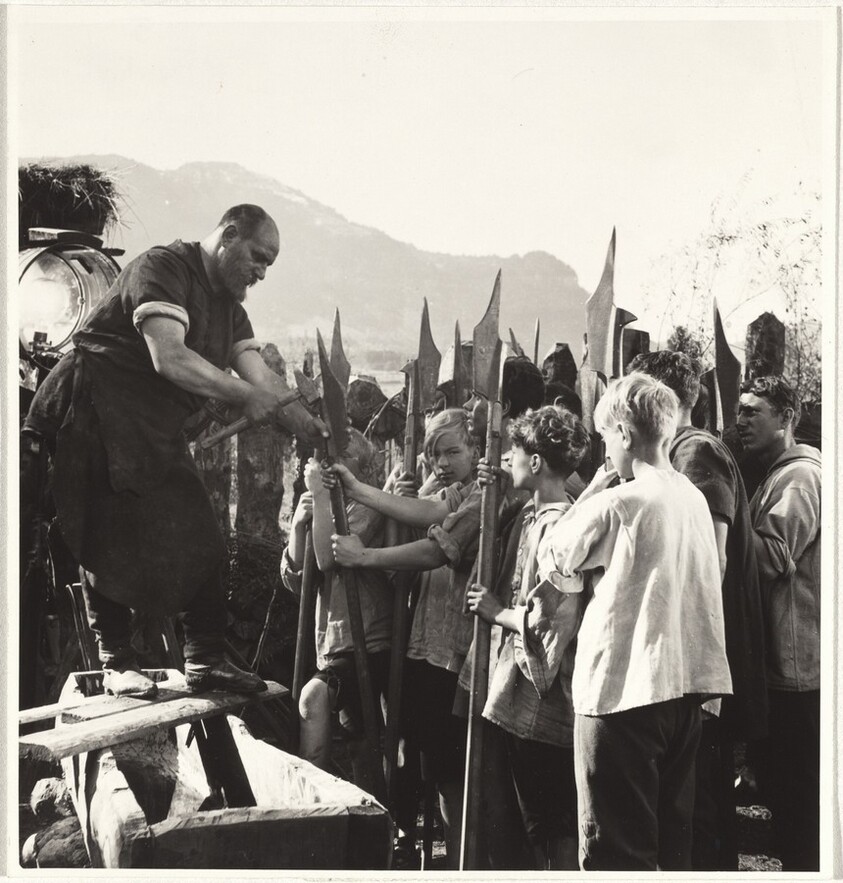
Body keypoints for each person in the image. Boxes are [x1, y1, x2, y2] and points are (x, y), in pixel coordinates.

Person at [21, 204, 325, 698]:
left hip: (146, 429)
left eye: (269, 264)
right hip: (89, 411)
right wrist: (244, 396)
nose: (261, 272)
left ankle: (205, 657)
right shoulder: (163, 268)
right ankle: (117, 662)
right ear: (228, 235)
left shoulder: (230, 306)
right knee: (105, 529)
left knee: (199, 526)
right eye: (257, 256)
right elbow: (171, 357)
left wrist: (308, 427)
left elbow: (261, 379)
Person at [329, 355, 544, 869]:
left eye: (452, 450)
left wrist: (366, 551)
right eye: (434, 454)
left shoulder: (491, 492)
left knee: (459, 776)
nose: (442, 461)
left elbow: (435, 545)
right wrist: (374, 494)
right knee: (435, 769)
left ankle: (468, 867)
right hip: (429, 648)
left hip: (458, 653)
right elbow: (423, 510)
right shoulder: (456, 489)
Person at [537, 372, 733, 871]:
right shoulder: (691, 495)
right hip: (685, 693)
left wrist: (592, 493)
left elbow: (555, 557)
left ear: (624, 433)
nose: (605, 452)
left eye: (606, 438)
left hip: (622, 694)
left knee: (616, 854)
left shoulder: (620, 501)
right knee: (670, 847)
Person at [629, 350, 768, 870]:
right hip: (700, 665)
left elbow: (711, 558)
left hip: (702, 667)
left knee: (701, 814)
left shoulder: (694, 453)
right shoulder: (685, 451)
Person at [466, 405, 589, 869]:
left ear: (535, 462)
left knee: (548, 820)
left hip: (546, 696)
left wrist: (498, 612)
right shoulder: (535, 514)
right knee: (535, 815)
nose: (506, 461)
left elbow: (554, 619)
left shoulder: (558, 526)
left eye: (513, 452)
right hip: (529, 695)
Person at [737, 375, 821, 871]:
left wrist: (719, 519)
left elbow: (770, 558)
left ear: (786, 418)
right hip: (787, 667)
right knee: (786, 797)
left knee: (799, 806)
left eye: (754, 411)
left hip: (799, 670)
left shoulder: (800, 477)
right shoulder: (777, 473)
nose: (741, 420)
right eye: (740, 410)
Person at [281, 429, 392, 791]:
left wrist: (320, 497)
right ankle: (345, 811)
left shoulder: (369, 507)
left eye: (342, 460)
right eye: (328, 460)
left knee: (323, 706)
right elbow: (297, 579)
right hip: (331, 641)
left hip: (367, 638)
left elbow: (329, 559)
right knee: (356, 732)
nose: (332, 469)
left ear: (363, 468)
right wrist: (299, 525)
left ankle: (322, 801)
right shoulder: (323, 507)